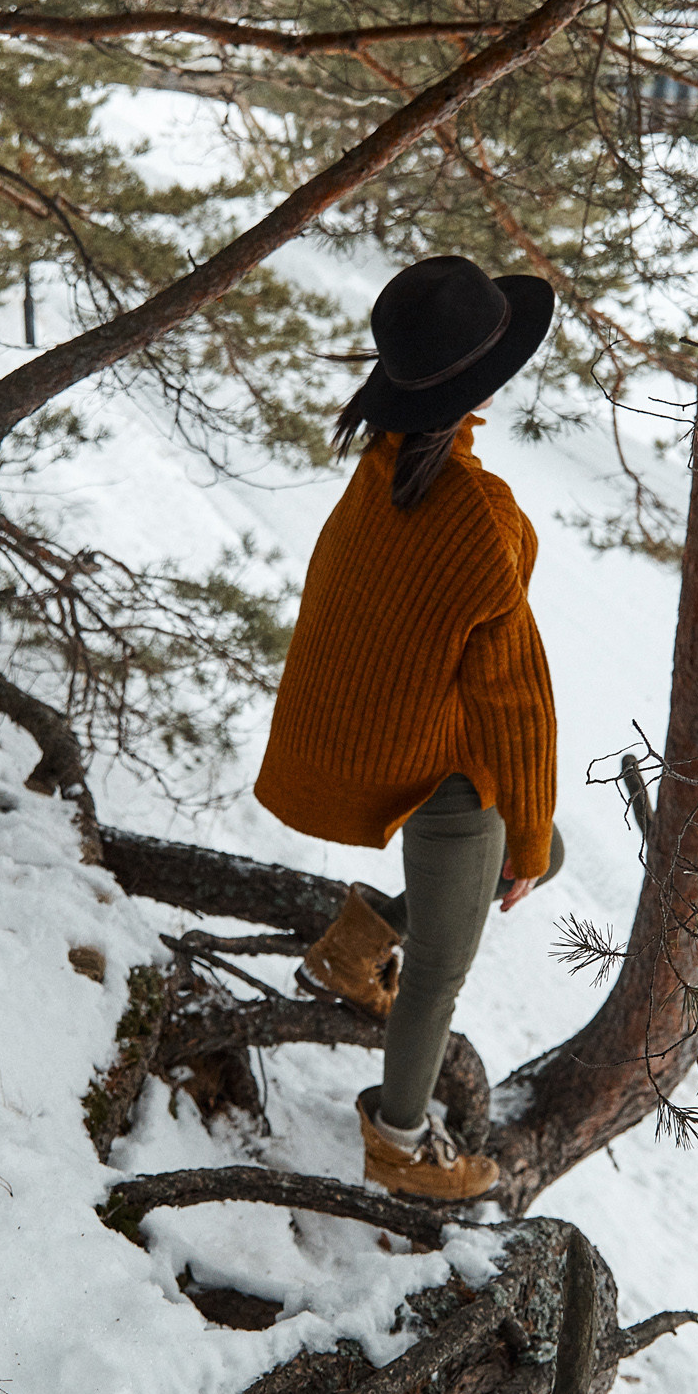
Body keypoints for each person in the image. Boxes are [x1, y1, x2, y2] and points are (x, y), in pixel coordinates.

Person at [254, 255, 566, 1201]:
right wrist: (523, 825)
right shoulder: (476, 513)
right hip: (439, 764)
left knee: (539, 850)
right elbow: (515, 701)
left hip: (387, 736)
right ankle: (398, 1140)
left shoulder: (380, 468)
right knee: (439, 971)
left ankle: (355, 943)